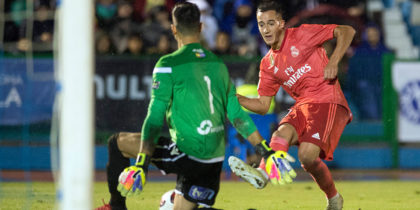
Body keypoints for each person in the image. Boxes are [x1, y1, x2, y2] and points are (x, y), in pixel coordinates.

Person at [95, 2, 290, 210]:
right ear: (200, 27)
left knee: (117, 143)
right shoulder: (219, 65)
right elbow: (237, 116)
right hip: (214, 158)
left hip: (187, 154)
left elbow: (153, 119)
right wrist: (266, 152)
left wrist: (141, 164)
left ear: (173, 29)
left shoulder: (168, 64)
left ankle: (115, 207)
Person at [229, 1, 355, 210]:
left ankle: (333, 198)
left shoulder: (302, 35)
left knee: (306, 156)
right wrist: (237, 99)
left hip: (327, 99)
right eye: (261, 24)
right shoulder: (267, 64)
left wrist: (333, 61)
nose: (266, 29)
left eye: (271, 23)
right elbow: (262, 105)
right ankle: (262, 173)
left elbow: (347, 31)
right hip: (303, 106)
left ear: (281, 24)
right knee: (281, 133)